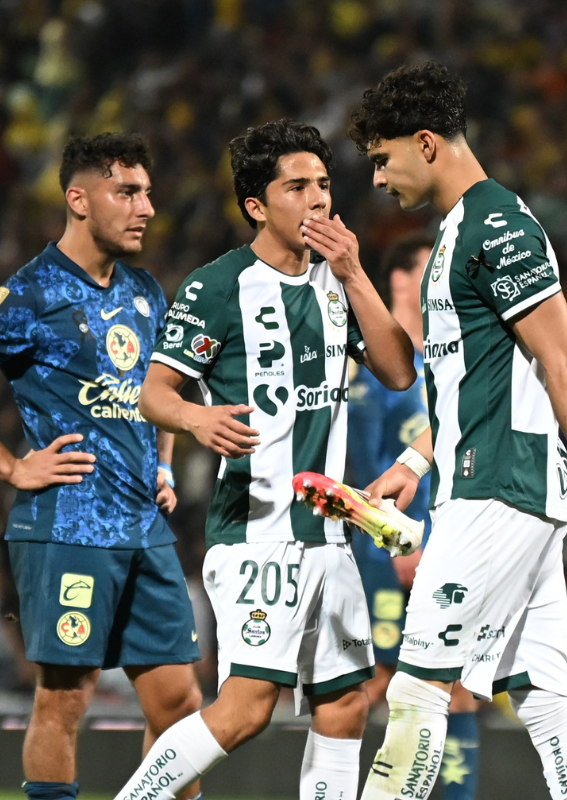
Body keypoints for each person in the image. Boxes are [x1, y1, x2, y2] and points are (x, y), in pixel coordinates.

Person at [349, 61, 567, 800]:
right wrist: (416, 462)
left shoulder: (498, 226)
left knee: (416, 686)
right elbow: (473, 383)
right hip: (490, 483)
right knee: (543, 696)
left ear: (426, 143)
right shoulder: (456, 232)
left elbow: (565, 361)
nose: (378, 179)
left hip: (499, 489)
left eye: (382, 158)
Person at [110, 119, 415, 800]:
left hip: (330, 533)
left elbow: (399, 371)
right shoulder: (219, 287)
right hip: (258, 533)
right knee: (248, 708)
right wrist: (198, 418)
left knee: (346, 704)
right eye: (297, 186)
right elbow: (154, 393)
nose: (319, 199)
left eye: (324, 184)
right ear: (256, 205)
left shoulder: (337, 280)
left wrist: (354, 273)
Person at [0, 133, 203, 800]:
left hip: (143, 527)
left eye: (147, 193)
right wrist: (10, 467)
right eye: (126, 192)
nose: (146, 208)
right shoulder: (31, 292)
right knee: (64, 701)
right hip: (68, 528)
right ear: (78, 199)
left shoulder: (144, 290)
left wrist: (164, 464)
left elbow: (164, 388)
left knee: (179, 702)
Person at [346, 231, 481, 800]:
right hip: (386, 547)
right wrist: (396, 537)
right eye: (430, 268)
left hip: (450, 540)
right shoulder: (374, 365)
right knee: (375, 679)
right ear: (400, 280)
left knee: (458, 682)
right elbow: (363, 465)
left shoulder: (453, 358)